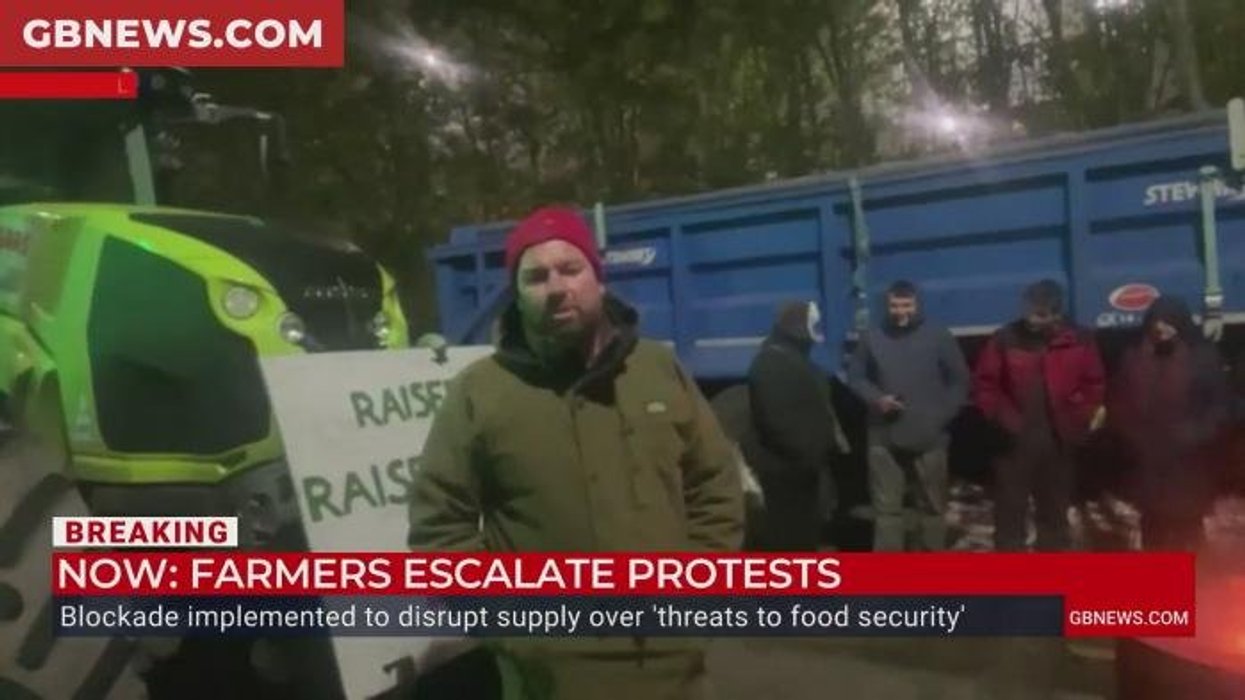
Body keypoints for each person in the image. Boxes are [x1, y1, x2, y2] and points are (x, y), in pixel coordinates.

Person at [407, 205, 744, 700]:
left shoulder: (658, 369)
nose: (557, 287)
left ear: (599, 280)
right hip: (552, 679)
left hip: (676, 669)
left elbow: (715, 485)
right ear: (517, 296)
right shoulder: (479, 392)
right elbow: (440, 527)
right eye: (536, 276)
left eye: (571, 269)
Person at [972, 279, 1105, 551]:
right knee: (1009, 514)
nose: (1032, 319)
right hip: (1013, 443)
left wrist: (1079, 415)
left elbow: (1094, 383)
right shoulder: (1005, 339)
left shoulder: (1079, 340)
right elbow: (984, 384)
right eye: (1028, 311)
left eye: (1040, 314)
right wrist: (998, 418)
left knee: (1054, 514)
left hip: (1058, 441)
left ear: (1056, 314)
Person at [847, 280, 969, 551]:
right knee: (887, 512)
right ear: (886, 306)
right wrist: (877, 399)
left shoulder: (939, 336)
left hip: (930, 436)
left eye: (906, 305)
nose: (900, 311)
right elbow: (855, 377)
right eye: (894, 305)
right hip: (883, 436)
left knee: (933, 510)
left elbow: (959, 382)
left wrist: (939, 418)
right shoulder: (872, 337)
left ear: (917, 305)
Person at [1106, 295, 1230, 550]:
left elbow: (1219, 405)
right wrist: (1131, 434)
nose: (1160, 329)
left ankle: (1200, 581)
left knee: (1188, 526)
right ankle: (1161, 583)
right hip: (1148, 458)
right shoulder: (1134, 356)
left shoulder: (1202, 356)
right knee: (1154, 525)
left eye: (1168, 323)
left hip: (1189, 458)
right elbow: (1118, 400)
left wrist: (1196, 432)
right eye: (1156, 323)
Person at [746, 300, 846, 550]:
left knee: (804, 532)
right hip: (785, 471)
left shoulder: (794, 359)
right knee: (788, 535)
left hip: (803, 469)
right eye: (813, 325)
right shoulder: (771, 363)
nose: (817, 331)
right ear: (799, 327)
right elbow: (775, 419)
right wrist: (808, 451)